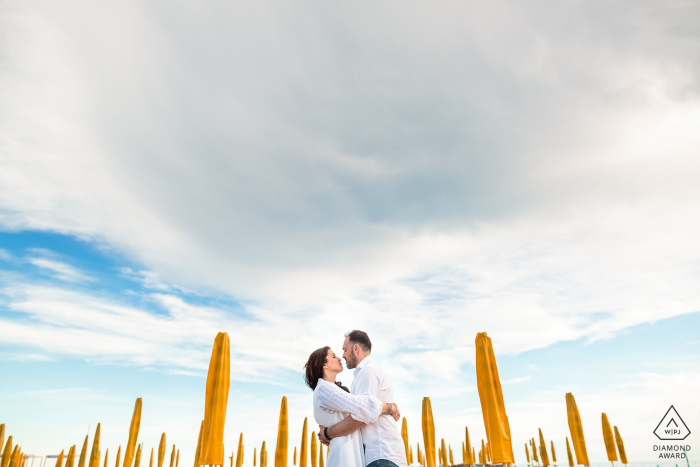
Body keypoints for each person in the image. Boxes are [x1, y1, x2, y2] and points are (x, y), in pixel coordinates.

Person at [318, 330, 408, 467]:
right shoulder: (365, 372)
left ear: (355, 348)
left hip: (381, 455)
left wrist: (328, 433)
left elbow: (362, 415)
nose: (343, 355)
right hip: (381, 455)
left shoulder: (367, 371)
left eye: (344, 350)